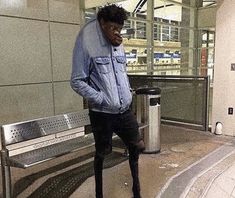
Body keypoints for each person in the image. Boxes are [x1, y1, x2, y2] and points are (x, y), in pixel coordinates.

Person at [70, 4, 144, 198]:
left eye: (119, 29)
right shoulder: (86, 41)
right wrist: (101, 99)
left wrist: (127, 93)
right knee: (102, 153)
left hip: (124, 110)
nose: (116, 33)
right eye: (112, 28)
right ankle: (99, 194)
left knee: (136, 146)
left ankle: (137, 189)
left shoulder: (119, 43)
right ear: (101, 23)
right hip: (102, 113)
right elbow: (77, 81)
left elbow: (122, 72)